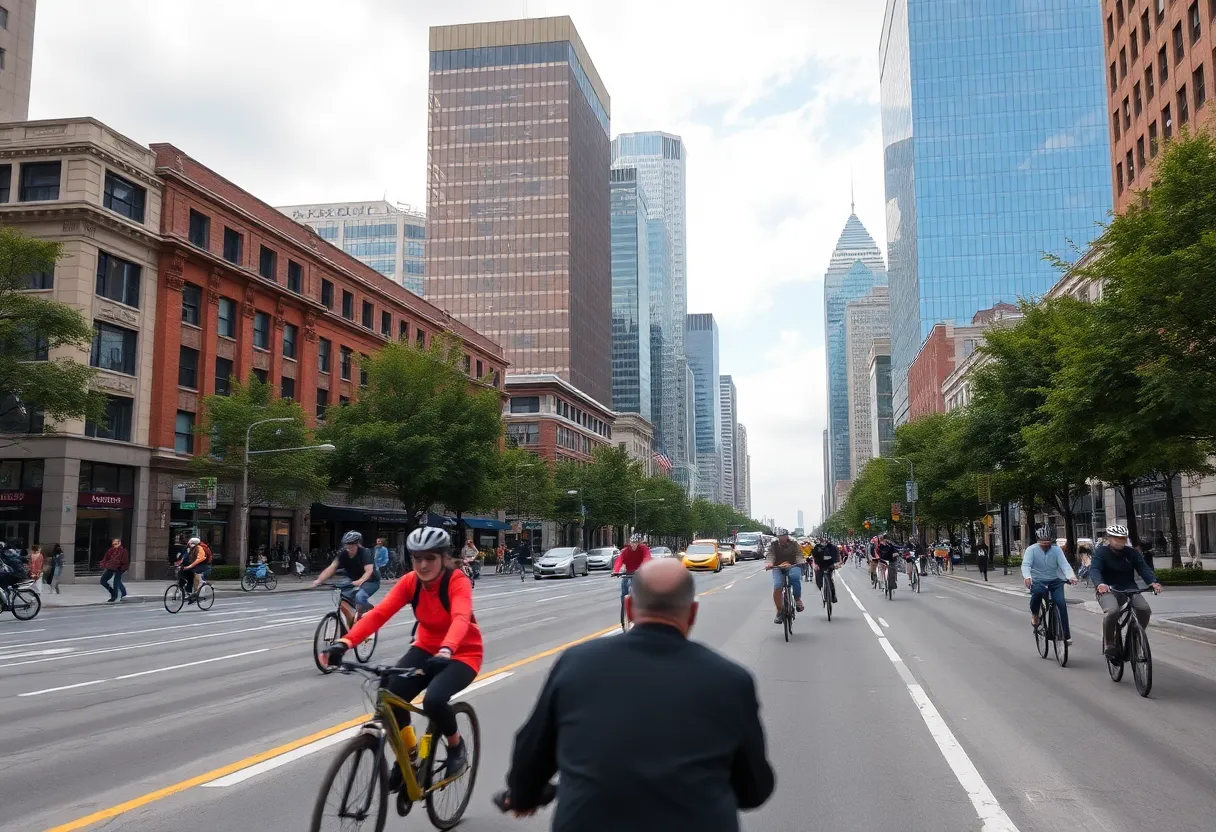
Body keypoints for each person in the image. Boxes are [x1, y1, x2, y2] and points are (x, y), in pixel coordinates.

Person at [498, 558, 774, 830]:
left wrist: (524, 796)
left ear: (629, 608)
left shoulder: (576, 663)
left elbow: (532, 750)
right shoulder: (730, 680)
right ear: (692, 613)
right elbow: (754, 789)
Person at [321, 526, 480, 788]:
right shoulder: (410, 582)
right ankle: (410, 756)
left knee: (434, 701)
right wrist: (344, 642)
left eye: (430, 558)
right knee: (392, 697)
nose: (423, 564)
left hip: (462, 652)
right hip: (426, 647)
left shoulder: (456, 580)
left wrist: (447, 648)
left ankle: (455, 746)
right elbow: (379, 614)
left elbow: (461, 617)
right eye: (417, 558)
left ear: (443, 557)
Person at [1091, 524, 1163, 662]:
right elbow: (1095, 570)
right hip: (1107, 589)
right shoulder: (1101, 552)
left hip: (1129, 588)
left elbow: (1143, 568)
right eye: (1116, 538)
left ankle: (1134, 636)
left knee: (1144, 609)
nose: (1120, 541)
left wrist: (1153, 582)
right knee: (1112, 611)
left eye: (1123, 539)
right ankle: (1109, 643)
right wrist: (1100, 584)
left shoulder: (1132, 553)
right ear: (1109, 539)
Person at [1021, 527, 1078, 645]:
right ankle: (1035, 614)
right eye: (1043, 544)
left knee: (1061, 603)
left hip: (1055, 580)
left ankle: (1066, 636)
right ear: (1038, 541)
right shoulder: (1031, 550)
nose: (1046, 546)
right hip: (1037, 580)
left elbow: (1064, 565)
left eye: (1048, 543)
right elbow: (1026, 565)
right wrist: (1027, 577)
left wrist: (1071, 576)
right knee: (1037, 594)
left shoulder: (1057, 550)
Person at [313, 531, 380, 626]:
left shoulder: (365, 553)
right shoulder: (343, 554)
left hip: (370, 581)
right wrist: (319, 580)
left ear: (357, 544)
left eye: (352, 544)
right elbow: (332, 567)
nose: (349, 547)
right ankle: (352, 624)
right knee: (343, 600)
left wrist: (360, 581)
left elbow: (368, 571)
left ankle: (371, 614)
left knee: (360, 597)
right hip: (353, 580)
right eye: (347, 544)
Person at [764, 529, 804, 622]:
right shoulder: (773, 545)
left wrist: (800, 561)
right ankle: (779, 611)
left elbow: (799, 554)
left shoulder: (794, 544)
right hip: (778, 566)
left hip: (793, 565)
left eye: (783, 536)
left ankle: (797, 600)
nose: (782, 538)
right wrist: (769, 563)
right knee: (778, 585)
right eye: (780, 536)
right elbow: (770, 555)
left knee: (795, 578)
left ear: (787, 536)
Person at [612, 533, 652, 599]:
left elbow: (646, 558)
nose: (634, 544)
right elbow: (619, 560)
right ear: (630, 543)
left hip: (640, 572)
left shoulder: (643, 549)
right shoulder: (626, 550)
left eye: (636, 542)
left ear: (639, 543)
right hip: (628, 572)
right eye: (632, 542)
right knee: (624, 590)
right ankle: (624, 607)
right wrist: (615, 571)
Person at [99, 538, 129, 603]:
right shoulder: (110, 550)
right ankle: (117, 592)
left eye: (116, 543)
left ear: (120, 543)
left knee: (116, 581)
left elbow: (124, 561)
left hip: (120, 568)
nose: (115, 545)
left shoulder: (123, 551)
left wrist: (118, 564)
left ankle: (115, 596)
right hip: (111, 567)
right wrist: (103, 564)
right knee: (103, 581)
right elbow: (106, 559)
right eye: (114, 544)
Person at [811, 538, 840, 603]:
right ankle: (822, 589)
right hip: (820, 565)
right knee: (818, 579)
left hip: (829, 565)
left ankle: (832, 595)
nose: (824, 543)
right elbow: (814, 556)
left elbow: (836, 556)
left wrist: (836, 563)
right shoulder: (817, 547)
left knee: (829, 579)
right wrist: (815, 564)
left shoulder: (832, 547)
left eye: (826, 542)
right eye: (823, 542)